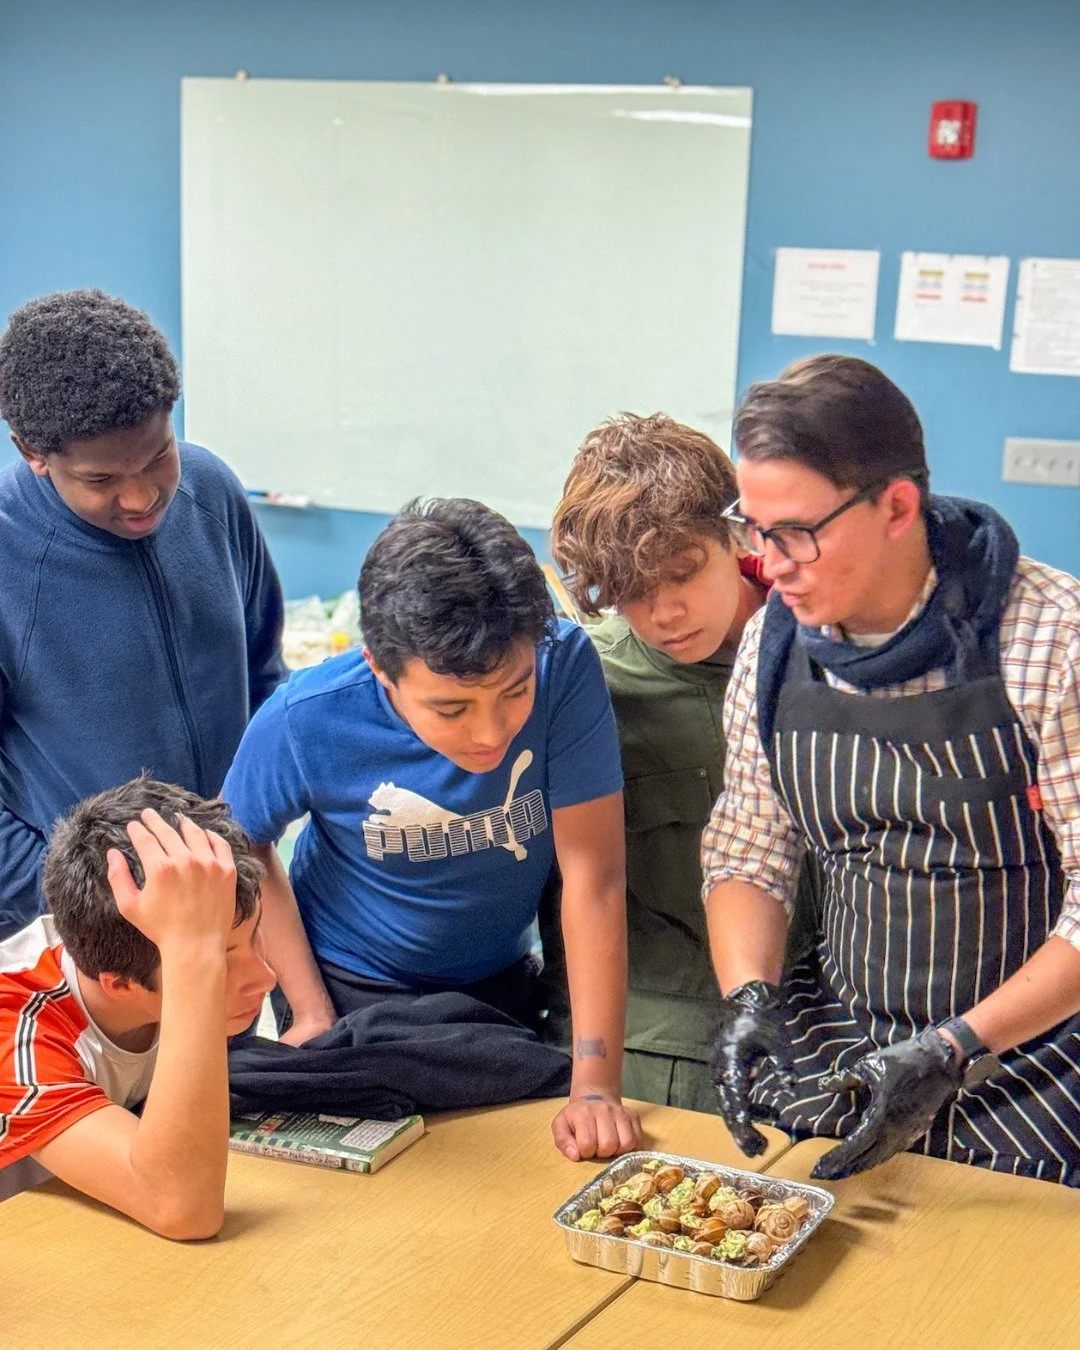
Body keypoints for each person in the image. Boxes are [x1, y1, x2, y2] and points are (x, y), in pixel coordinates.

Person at [703, 354, 1080, 1184]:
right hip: (842, 1045)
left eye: (797, 532)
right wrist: (750, 999)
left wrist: (953, 1049)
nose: (771, 565)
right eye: (755, 531)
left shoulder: (1052, 641)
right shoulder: (772, 645)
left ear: (897, 506)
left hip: (1037, 1064)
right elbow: (749, 849)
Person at [222, 497, 642, 1162]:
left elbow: (594, 876)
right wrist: (309, 1011)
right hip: (351, 987)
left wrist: (596, 1084)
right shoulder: (306, 716)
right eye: (450, 708)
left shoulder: (562, 666)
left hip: (497, 985)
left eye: (513, 692)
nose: (491, 733)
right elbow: (240, 843)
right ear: (379, 670)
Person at [546, 412, 819, 1112]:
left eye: (684, 572)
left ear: (735, 533)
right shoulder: (588, 685)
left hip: (836, 1023)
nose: (666, 612)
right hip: (659, 1047)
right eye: (634, 593)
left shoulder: (827, 645)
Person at [0, 290, 286, 938]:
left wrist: (255, 841)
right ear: (33, 452)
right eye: (101, 481)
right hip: (89, 936)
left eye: (158, 456)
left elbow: (265, 674)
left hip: (234, 899)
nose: (141, 496)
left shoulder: (212, 490)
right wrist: (96, 904)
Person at [0, 776, 274, 1233]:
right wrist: (194, 957)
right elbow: (182, 1209)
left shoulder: (133, 952)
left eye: (254, 936)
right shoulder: (16, 1025)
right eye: (223, 958)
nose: (265, 977)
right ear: (120, 985)